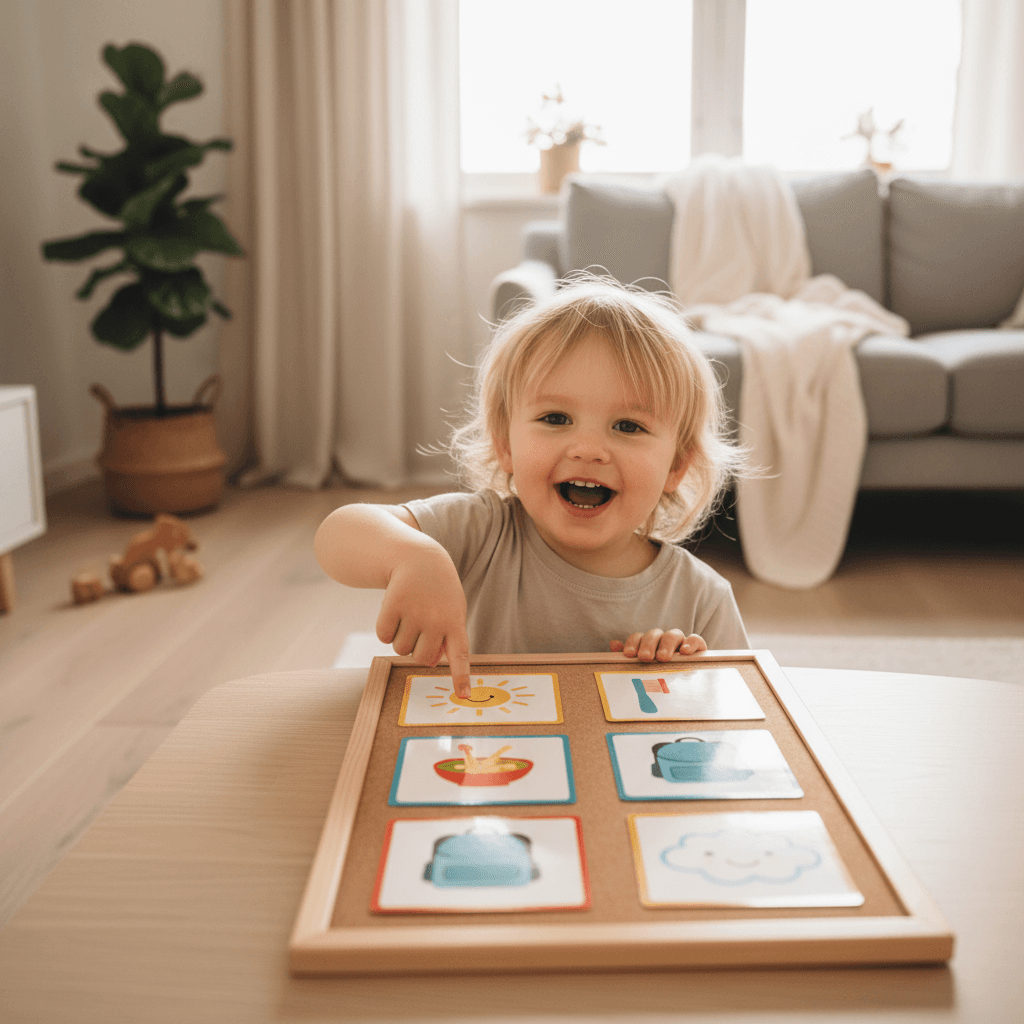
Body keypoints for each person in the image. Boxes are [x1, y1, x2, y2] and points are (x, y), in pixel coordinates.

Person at [315, 277, 749, 697]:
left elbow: (741, 712)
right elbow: (338, 534)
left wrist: (686, 675)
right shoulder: (480, 533)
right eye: (556, 419)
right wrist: (411, 555)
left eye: (628, 426)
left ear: (676, 465)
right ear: (505, 444)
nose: (588, 449)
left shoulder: (703, 600)